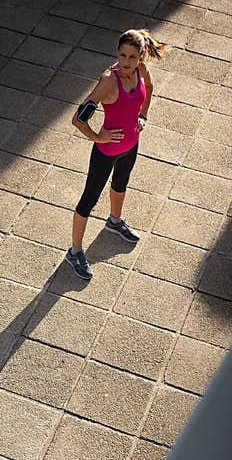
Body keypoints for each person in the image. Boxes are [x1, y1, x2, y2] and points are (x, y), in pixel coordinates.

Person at [65, 28, 170, 280]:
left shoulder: (141, 71)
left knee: (121, 185)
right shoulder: (108, 81)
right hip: (106, 151)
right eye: (122, 55)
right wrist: (98, 136)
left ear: (141, 56)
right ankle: (74, 251)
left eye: (132, 57)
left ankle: (114, 221)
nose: (126, 62)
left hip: (131, 144)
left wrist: (143, 116)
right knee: (88, 200)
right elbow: (78, 118)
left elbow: (150, 89)